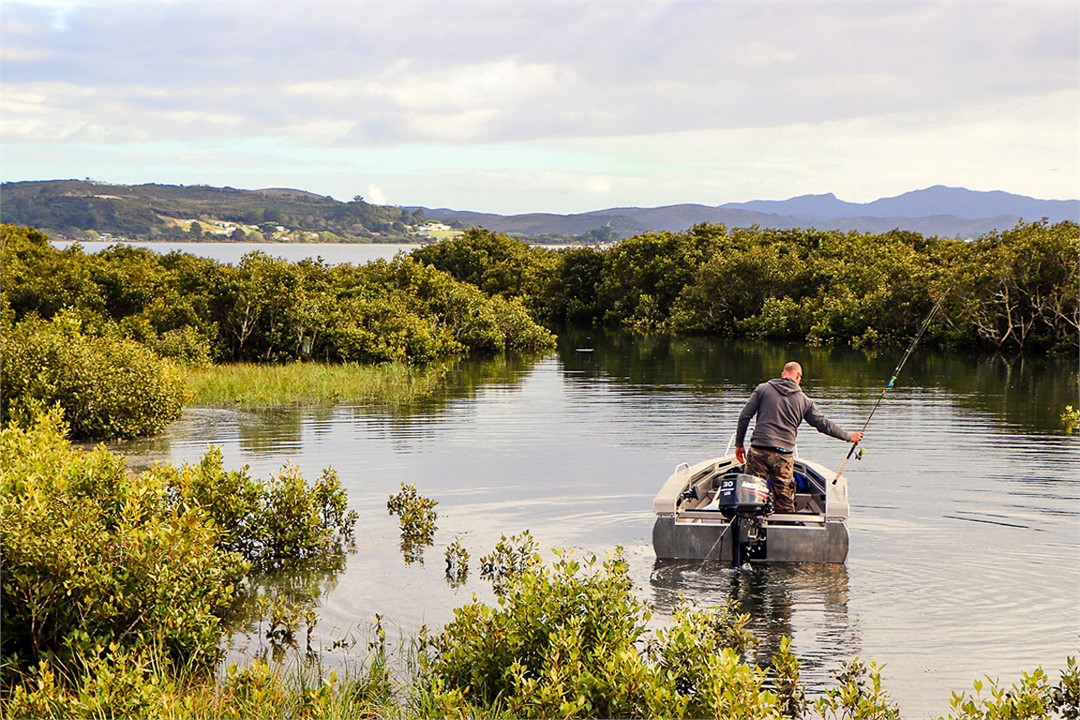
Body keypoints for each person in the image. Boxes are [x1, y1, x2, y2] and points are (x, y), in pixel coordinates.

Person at [735, 361, 864, 513]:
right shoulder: (805, 401)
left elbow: (745, 416)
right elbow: (823, 425)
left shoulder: (763, 389)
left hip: (759, 451)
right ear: (798, 376)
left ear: (783, 374)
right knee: (784, 504)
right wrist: (849, 437)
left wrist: (739, 444)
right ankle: (783, 527)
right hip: (783, 455)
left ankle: (748, 527)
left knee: (750, 498)